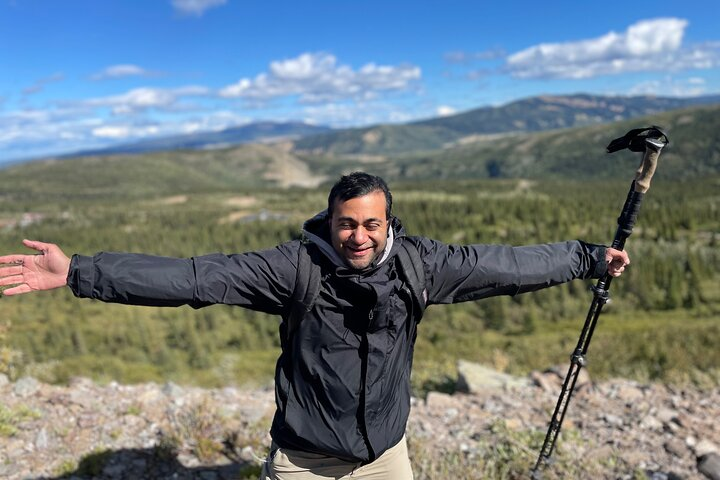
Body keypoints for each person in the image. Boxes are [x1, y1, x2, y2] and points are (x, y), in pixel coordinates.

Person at [0, 172, 629, 479]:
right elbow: (195, 278)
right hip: (304, 461)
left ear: (389, 224)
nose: (358, 236)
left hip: (385, 456)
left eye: (371, 224)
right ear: (329, 221)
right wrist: (78, 271)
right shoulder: (293, 269)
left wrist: (588, 258)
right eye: (346, 223)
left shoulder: (421, 265)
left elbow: (508, 265)